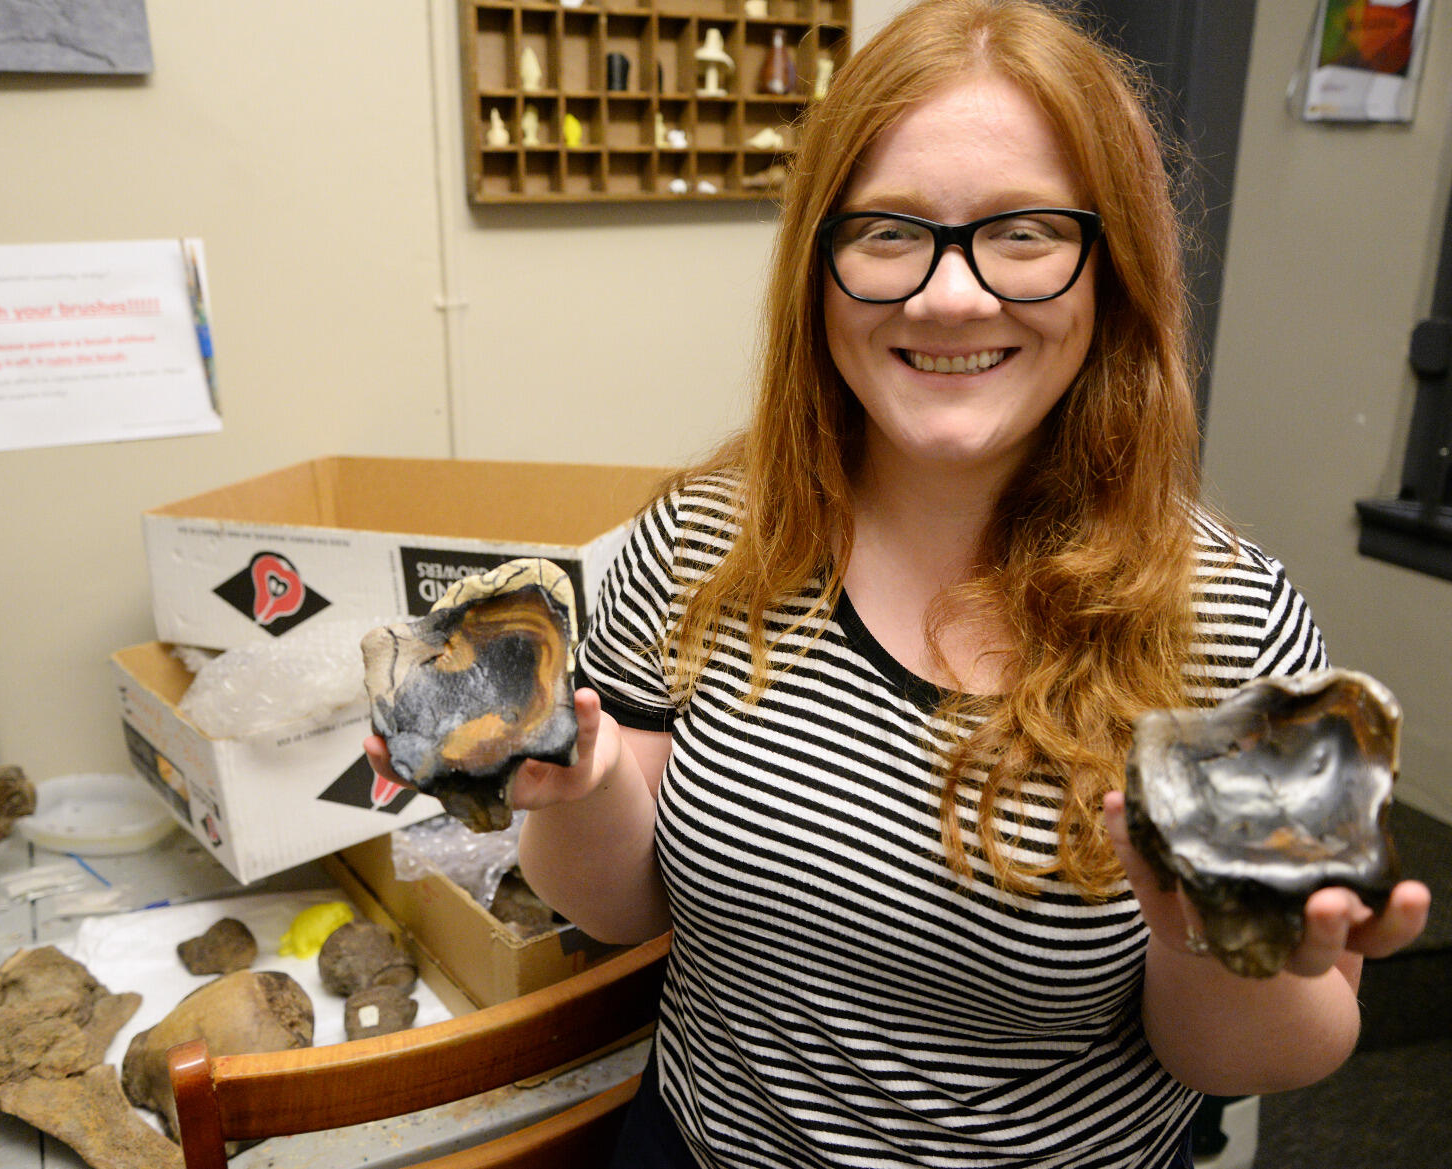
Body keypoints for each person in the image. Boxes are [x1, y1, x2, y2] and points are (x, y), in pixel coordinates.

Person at [369, 1, 1432, 1165]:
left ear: (1111, 266)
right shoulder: (698, 543)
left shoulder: (1223, 620)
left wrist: (1206, 941)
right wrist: (576, 788)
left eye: (1023, 232)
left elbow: (1254, 1058)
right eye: (888, 232)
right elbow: (627, 906)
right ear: (820, 268)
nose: (949, 296)